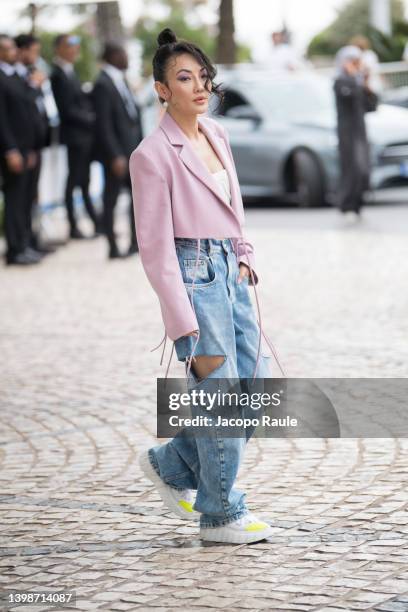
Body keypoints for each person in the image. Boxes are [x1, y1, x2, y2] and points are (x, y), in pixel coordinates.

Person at [129, 28, 285, 544]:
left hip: (231, 271)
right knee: (217, 393)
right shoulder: (151, 155)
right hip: (193, 274)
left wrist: (244, 257)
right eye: (183, 78)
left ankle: (173, 463)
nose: (199, 87)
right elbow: (154, 249)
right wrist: (182, 325)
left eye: (203, 77)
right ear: (160, 89)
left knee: (257, 386)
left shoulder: (216, 135)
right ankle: (219, 513)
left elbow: (233, 207)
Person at [91, 42, 142, 259]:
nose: (127, 57)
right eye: (124, 53)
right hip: (117, 155)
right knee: (110, 199)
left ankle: (135, 243)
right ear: (113, 56)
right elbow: (103, 124)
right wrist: (114, 155)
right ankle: (112, 246)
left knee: (138, 198)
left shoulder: (121, 80)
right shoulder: (102, 83)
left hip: (132, 151)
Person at [50, 34, 101, 240]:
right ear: (58, 49)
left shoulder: (70, 72)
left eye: (76, 46)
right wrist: (92, 118)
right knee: (73, 181)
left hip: (84, 136)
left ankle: (96, 222)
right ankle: (73, 225)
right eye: (69, 46)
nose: (74, 50)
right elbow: (67, 109)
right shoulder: (57, 75)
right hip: (74, 137)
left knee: (84, 180)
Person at [0, 34, 41, 265]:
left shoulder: (16, 75)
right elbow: (3, 119)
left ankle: (25, 244)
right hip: (13, 149)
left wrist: (32, 147)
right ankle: (14, 249)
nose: (12, 52)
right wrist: (11, 150)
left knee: (25, 199)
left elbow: (28, 106)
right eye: (6, 49)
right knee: (14, 199)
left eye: (13, 48)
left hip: (27, 147)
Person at [14, 33, 55, 256]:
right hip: (22, 147)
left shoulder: (28, 75)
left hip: (36, 144)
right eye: (33, 52)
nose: (36, 57)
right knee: (19, 199)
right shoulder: (16, 79)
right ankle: (19, 246)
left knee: (31, 197)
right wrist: (32, 86)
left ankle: (30, 241)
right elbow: (20, 111)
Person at [334, 45, 378, 221]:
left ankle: (358, 203)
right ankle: (347, 205)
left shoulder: (358, 83)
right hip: (347, 133)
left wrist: (366, 84)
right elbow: (348, 97)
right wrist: (355, 78)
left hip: (360, 131)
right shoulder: (340, 82)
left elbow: (372, 105)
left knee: (364, 169)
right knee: (352, 168)